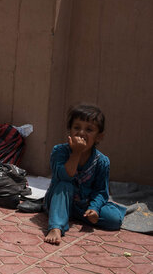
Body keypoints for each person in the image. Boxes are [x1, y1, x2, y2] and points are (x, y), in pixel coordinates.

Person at [43, 104, 126, 245]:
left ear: (99, 137)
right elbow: (64, 177)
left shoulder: (102, 161)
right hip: (60, 198)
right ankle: (56, 226)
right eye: (77, 128)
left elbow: (101, 191)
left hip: (83, 203)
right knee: (65, 185)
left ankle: (73, 214)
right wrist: (76, 153)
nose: (81, 133)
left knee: (114, 219)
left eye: (89, 129)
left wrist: (94, 209)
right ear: (69, 131)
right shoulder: (59, 151)